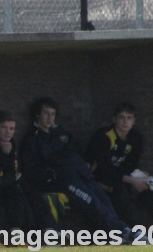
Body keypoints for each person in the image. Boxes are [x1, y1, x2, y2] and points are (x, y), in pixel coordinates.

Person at [18, 97, 145, 243]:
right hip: (62, 180)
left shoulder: (61, 134)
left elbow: (77, 150)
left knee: (103, 200)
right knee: (91, 202)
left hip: (82, 175)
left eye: (52, 114)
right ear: (37, 115)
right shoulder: (31, 139)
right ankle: (122, 231)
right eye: (46, 113)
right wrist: (51, 174)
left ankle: (117, 233)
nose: (49, 118)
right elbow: (31, 169)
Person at [83, 102, 153, 243]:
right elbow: (103, 168)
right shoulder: (103, 136)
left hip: (124, 179)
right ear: (114, 119)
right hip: (100, 182)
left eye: (129, 118)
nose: (125, 122)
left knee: (151, 191)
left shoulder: (135, 138)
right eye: (121, 117)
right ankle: (136, 232)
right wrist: (131, 180)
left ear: (134, 121)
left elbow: (130, 165)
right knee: (119, 191)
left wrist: (140, 176)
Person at [0, 110, 59, 237]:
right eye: (4, 128)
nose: (8, 132)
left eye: (12, 128)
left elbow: (12, 173)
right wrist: (4, 154)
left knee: (23, 190)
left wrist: (1, 181)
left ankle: (42, 231)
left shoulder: (10, 142)